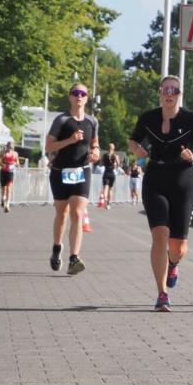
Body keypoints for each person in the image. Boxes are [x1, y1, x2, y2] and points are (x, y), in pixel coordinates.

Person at [129, 75, 193, 312]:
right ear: (160, 92)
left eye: (174, 90)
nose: (169, 93)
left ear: (180, 93)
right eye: (165, 89)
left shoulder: (191, 119)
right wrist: (138, 151)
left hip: (183, 181)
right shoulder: (148, 117)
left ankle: (173, 263)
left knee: (178, 247)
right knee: (160, 235)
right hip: (155, 178)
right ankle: (162, 294)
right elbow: (133, 141)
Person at [46, 83, 100, 275]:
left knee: (78, 212)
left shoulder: (92, 121)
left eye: (82, 93)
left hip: (81, 171)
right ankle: (56, 248)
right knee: (62, 214)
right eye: (75, 93)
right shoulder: (61, 120)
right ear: (70, 97)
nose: (79, 96)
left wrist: (95, 151)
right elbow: (49, 147)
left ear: (87, 98)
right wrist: (70, 140)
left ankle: (74, 258)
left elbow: (95, 143)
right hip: (60, 171)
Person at [0, 141, 19, 213]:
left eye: (11, 148)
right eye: (8, 147)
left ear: (13, 148)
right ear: (6, 146)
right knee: (4, 189)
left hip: (10, 172)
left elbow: (18, 163)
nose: (9, 149)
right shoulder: (3, 152)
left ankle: (7, 205)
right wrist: (2, 164)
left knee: (9, 188)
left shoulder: (15, 154)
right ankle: (3, 199)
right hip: (3, 172)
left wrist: (15, 163)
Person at [99, 143, 119, 209]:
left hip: (106, 172)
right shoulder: (115, 156)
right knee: (110, 189)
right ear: (114, 148)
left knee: (105, 188)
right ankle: (108, 204)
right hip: (112, 173)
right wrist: (115, 165)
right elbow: (118, 164)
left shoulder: (104, 155)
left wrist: (104, 163)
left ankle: (105, 199)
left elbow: (100, 164)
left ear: (108, 148)